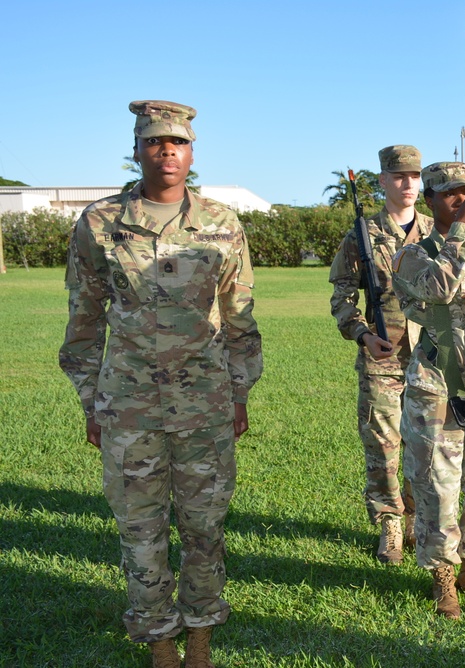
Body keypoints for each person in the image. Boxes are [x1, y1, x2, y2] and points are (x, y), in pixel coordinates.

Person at [59, 100, 263, 668]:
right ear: (137, 149)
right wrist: (90, 400)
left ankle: (200, 630)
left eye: (177, 142)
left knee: (204, 527)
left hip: (206, 404)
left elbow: (240, 316)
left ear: (192, 153)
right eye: (155, 142)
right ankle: (159, 639)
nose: (166, 151)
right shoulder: (100, 223)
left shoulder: (222, 223)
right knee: (140, 530)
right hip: (129, 404)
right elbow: (83, 318)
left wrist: (240, 393)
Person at [391, 161, 465, 620]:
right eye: (449, 194)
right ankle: (442, 578)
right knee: (438, 487)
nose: (460, 200)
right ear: (430, 200)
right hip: (437, 385)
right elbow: (439, 287)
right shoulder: (412, 254)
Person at [329, 145, 433, 565]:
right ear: (383, 181)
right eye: (399, 176)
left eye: (414, 176)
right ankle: (390, 523)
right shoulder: (362, 233)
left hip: (431, 353)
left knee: (425, 443)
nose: (408, 184)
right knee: (383, 443)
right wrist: (361, 333)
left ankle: (416, 521)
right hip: (382, 354)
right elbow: (341, 293)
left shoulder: (435, 229)